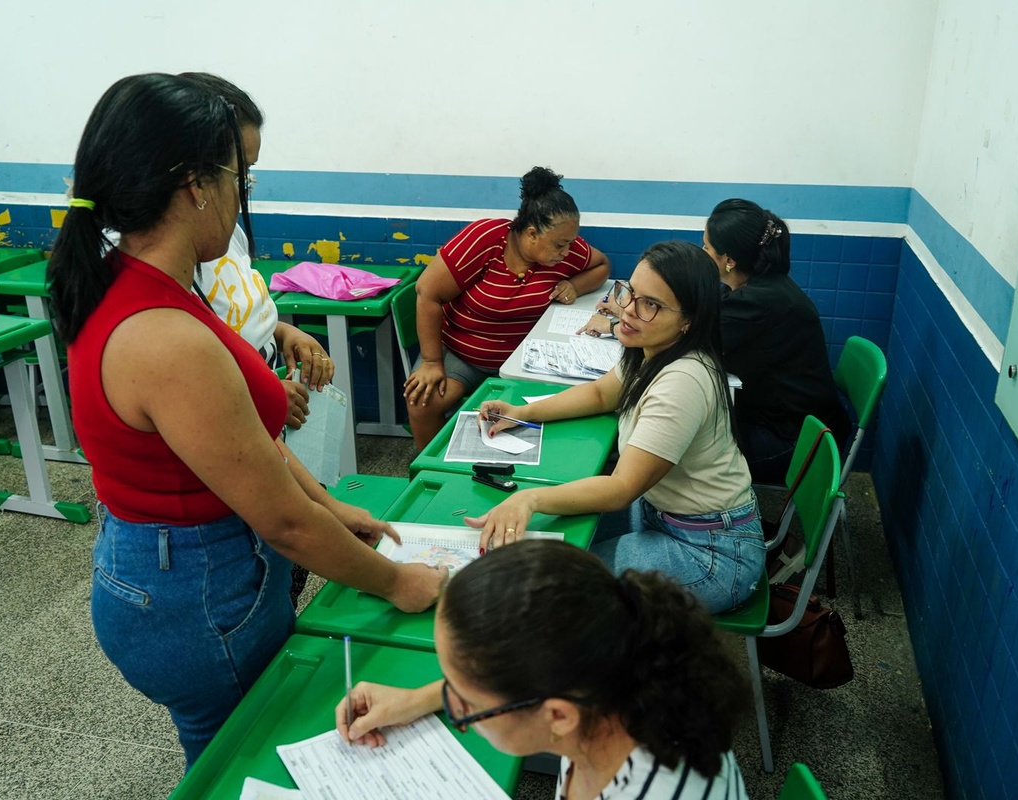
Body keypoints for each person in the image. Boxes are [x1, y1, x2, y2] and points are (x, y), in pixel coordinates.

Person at [47, 73, 445, 768]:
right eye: (243, 177)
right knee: (241, 760)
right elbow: (281, 523)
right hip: (195, 590)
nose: (242, 198)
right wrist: (399, 582)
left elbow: (242, 448)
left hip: (160, 569)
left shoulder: (131, 275)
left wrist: (328, 503)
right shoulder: (165, 333)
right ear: (196, 184)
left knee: (226, 747)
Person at [469, 241, 763, 614]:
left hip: (711, 556)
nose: (626, 310)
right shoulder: (651, 349)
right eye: (630, 293)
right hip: (663, 516)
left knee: (556, 584)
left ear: (688, 319)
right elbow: (598, 394)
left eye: (650, 305)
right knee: (552, 543)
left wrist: (530, 499)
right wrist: (522, 412)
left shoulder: (683, 380)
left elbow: (622, 488)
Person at [336, 541, 750, 799]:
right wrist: (415, 700)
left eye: (467, 705)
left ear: (557, 716)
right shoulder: (607, 679)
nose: (455, 707)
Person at [402, 166, 610, 449]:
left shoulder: (564, 251)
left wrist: (576, 286)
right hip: (465, 354)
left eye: (570, 244)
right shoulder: (485, 240)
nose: (567, 252)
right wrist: (431, 362)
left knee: (566, 409)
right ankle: (429, 473)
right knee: (422, 402)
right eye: (560, 245)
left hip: (529, 361)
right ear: (532, 233)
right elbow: (427, 293)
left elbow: (601, 264)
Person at [178, 72, 332, 432]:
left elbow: (229, 317)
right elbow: (192, 377)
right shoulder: (166, 264)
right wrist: (261, 392)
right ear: (196, 180)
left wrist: (279, 333)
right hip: (235, 414)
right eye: (240, 174)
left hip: (259, 397)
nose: (244, 191)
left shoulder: (223, 230)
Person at [702, 199, 851, 484]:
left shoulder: (758, 302)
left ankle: (712, 525)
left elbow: (691, 333)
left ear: (729, 260)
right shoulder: (764, 285)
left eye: (707, 247)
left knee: (685, 452)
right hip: (791, 426)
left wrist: (623, 322)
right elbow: (711, 309)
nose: (702, 253)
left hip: (793, 444)